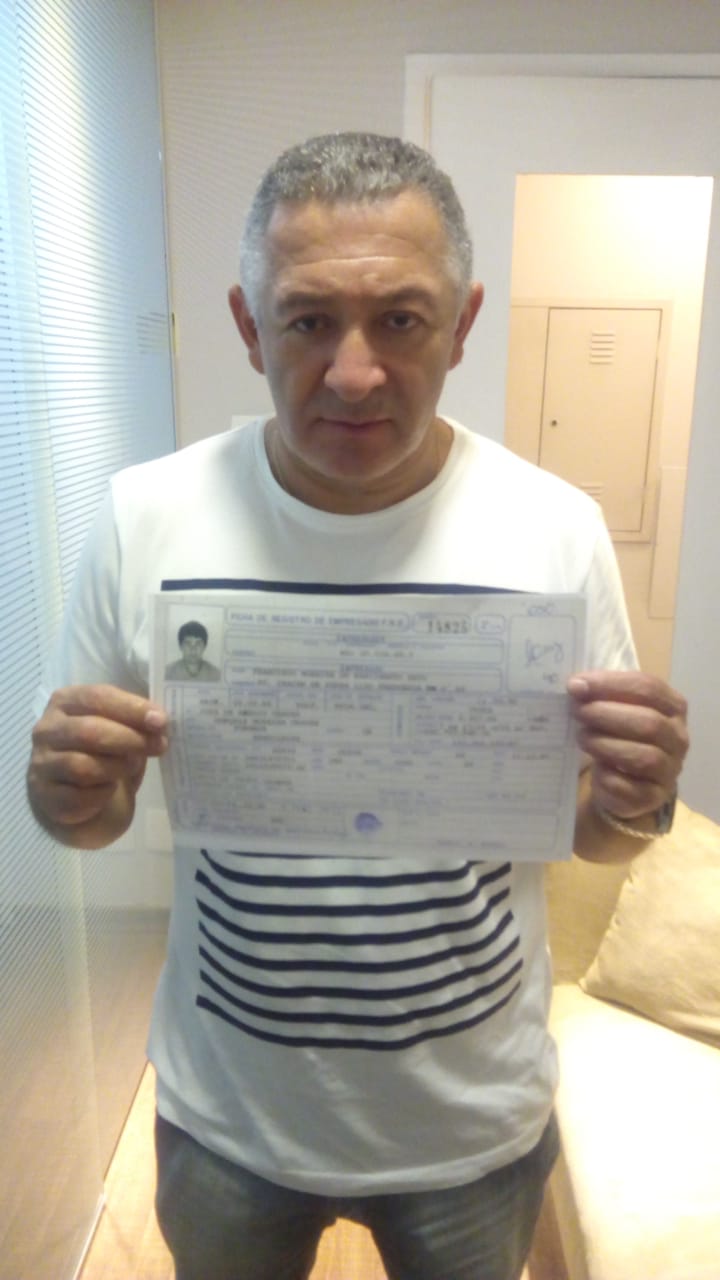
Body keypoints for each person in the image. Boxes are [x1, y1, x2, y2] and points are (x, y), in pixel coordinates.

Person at [26, 133, 688, 1280]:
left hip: (469, 1123)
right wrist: (64, 791)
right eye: (307, 320)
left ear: (463, 323)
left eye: (400, 319)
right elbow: (87, 820)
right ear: (247, 325)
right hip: (231, 1113)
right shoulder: (146, 515)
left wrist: (637, 796)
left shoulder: (554, 527)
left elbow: (594, 830)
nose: (353, 372)